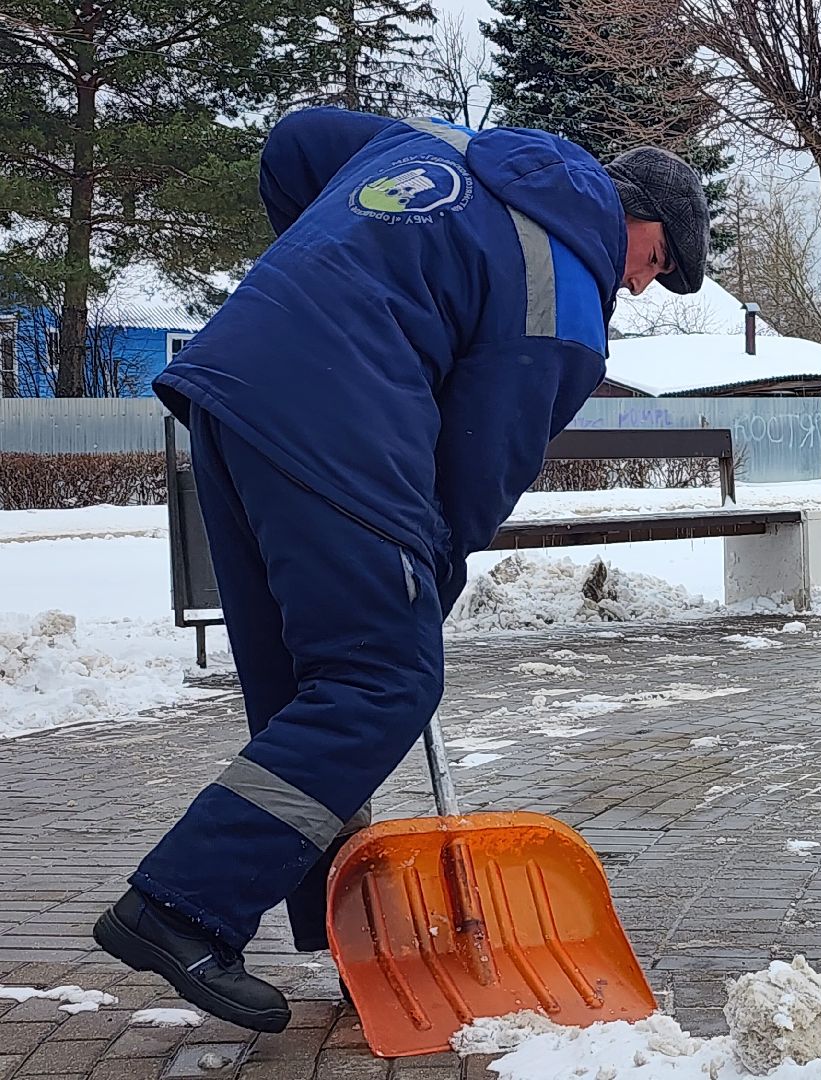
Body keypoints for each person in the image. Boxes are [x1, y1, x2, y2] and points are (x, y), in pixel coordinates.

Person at [90, 107, 709, 1033]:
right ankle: (176, 906)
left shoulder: (440, 144)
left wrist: (338, 270)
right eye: (656, 262)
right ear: (638, 219)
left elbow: (294, 145)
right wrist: (425, 586)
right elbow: (476, 469)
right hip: (340, 427)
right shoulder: (565, 299)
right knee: (384, 678)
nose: (641, 282)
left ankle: (344, 931)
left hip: (234, 388)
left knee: (310, 684)